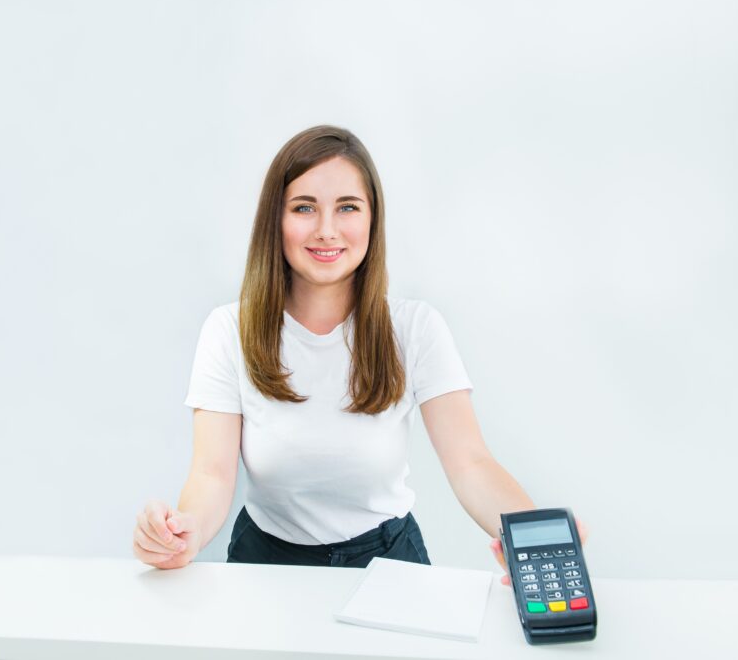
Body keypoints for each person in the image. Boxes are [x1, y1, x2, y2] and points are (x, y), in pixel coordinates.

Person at [132, 125, 587, 580]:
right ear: (276, 219)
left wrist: (539, 540)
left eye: (347, 207)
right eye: (304, 207)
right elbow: (212, 475)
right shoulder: (228, 330)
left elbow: (470, 463)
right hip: (265, 561)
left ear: (372, 218)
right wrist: (183, 531)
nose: (326, 230)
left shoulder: (415, 328)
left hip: (390, 559)